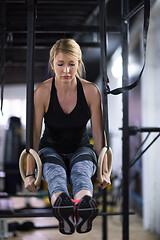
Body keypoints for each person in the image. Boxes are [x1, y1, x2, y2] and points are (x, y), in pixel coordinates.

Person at [24, 38, 111, 234]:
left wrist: (104, 170)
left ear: (79, 64)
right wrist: (30, 173)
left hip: (81, 148)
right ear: (52, 63)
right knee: (56, 174)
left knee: (81, 171)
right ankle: (63, 208)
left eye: (72, 64)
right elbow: (34, 134)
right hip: (50, 149)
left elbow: (98, 133)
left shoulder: (90, 91)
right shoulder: (43, 92)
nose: (66, 70)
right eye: (60, 64)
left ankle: (84, 206)